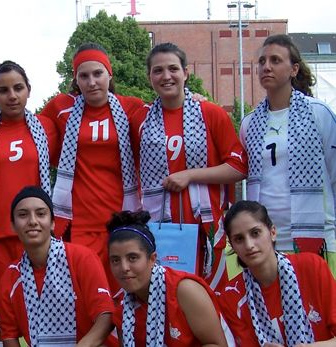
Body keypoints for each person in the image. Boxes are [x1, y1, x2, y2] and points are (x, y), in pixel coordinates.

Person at [132, 42, 247, 290]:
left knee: (209, 300)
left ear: (186, 73)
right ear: (149, 76)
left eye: (173, 68)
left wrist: (190, 175)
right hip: (158, 227)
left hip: (203, 228)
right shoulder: (140, 119)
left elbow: (238, 167)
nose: (166, 76)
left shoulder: (211, 113)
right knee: (166, 300)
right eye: (158, 70)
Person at [36, 43, 145, 292]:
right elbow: (23, 121)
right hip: (79, 221)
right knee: (87, 294)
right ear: (76, 80)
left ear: (110, 74)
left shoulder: (132, 107)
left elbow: (166, 111)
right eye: (83, 76)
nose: (92, 82)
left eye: (98, 73)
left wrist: (194, 98)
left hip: (121, 216)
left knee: (123, 291)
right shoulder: (61, 107)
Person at [240, 34, 336, 276]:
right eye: (262, 61)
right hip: (266, 242)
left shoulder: (319, 113)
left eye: (275, 60)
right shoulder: (249, 123)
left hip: (317, 236)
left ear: (294, 69)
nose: (266, 67)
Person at [0, 60, 59, 316]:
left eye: (18, 88)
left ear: (29, 89)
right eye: (3, 90)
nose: (12, 96)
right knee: (1, 311)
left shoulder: (46, 127)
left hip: (37, 233)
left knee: (43, 308)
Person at [0, 186, 115, 346]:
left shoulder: (81, 258)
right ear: (12, 225)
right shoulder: (10, 277)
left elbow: (106, 315)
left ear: (53, 223)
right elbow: (9, 336)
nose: (32, 221)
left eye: (41, 214)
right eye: (23, 215)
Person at [218, 200, 336, 346]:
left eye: (255, 233)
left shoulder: (312, 267)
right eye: (239, 239)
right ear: (232, 245)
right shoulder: (230, 296)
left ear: (273, 232)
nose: (249, 245)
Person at [107, 210, 228, 346]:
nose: (124, 268)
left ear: (152, 259)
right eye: (115, 260)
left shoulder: (184, 290)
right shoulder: (123, 309)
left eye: (133, 258)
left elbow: (217, 344)